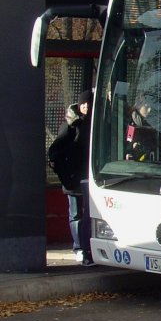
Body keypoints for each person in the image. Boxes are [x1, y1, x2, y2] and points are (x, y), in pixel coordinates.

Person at [47, 90, 94, 266]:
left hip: (91, 177)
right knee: (76, 214)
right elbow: (55, 152)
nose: (86, 107)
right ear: (79, 105)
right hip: (74, 178)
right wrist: (66, 171)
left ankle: (87, 248)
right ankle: (79, 248)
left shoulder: (99, 124)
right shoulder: (69, 125)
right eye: (84, 104)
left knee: (89, 215)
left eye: (89, 103)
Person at [126, 95, 157, 161]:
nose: (149, 110)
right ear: (138, 106)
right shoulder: (129, 123)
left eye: (150, 107)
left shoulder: (153, 124)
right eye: (146, 106)